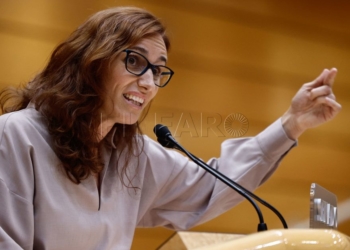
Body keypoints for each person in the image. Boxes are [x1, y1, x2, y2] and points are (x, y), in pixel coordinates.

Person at [0, 6, 341, 250]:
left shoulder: (133, 154)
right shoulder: (17, 136)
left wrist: (290, 125)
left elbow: (210, 186)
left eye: (158, 71)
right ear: (91, 61)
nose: (148, 83)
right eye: (135, 62)